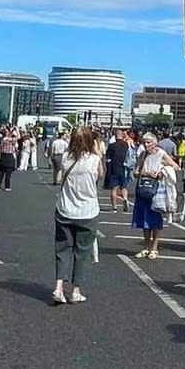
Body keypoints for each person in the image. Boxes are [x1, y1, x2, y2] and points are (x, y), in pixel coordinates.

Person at [51, 126, 104, 305]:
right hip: (87, 212)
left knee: (62, 249)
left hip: (65, 209)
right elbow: (100, 175)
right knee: (81, 253)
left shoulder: (66, 158)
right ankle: (76, 291)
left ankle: (58, 288)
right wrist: (96, 150)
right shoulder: (95, 160)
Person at [131, 132, 180, 260]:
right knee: (143, 219)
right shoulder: (143, 154)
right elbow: (135, 172)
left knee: (155, 220)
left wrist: (161, 173)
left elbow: (176, 167)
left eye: (148, 142)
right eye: (144, 142)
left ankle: (154, 248)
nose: (146, 145)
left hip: (156, 190)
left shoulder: (161, 154)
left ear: (155, 143)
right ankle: (146, 247)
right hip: (142, 189)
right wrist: (145, 172)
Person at [105, 129, 130, 213]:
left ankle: (114, 207)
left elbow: (107, 159)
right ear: (122, 135)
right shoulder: (126, 145)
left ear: (115, 136)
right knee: (123, 186)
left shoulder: (112, 146)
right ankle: (125, 198)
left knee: (114, 188)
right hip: (123, 168)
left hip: (114, 168)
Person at [0, 126, 19, 191]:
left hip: (3, 156)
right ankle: (7, 186)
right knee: (8, 173)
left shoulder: (2, 139)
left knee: (1, 172)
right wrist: (16, 129)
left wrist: (10, 131)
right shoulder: (10, 140)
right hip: (9, 156)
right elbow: (18, 137)